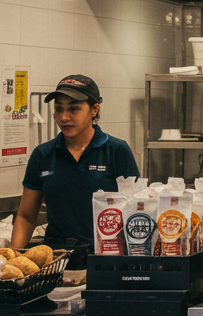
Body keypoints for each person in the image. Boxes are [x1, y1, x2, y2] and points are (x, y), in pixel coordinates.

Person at [12, 75, 139, 264]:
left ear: (94, 110)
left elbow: (135, 211)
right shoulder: (43, 154)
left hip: (106, 257)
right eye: (58, 109)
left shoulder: (116, 151)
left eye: (74, 109)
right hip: (56, 259)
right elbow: (26, 216)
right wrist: (12, 259)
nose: (64, 117)